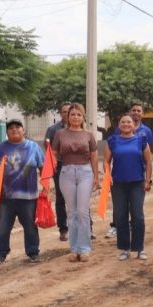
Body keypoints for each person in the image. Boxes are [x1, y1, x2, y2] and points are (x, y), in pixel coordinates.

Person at [0, 119, 44, 264]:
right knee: (3, 227)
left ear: (23, 130)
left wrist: (45, 187)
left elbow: (44, 168)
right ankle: (0, 254)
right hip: (5, 197)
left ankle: (33, 252)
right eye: (10, 128)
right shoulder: (0, 148)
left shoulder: (34, 148)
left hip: (29, 197)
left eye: (18, 127)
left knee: (30, 227)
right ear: (7, 132)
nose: (14, 129)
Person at [52, 103, 99, 262]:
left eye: (79, 114)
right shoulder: (60, 134)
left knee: (82, 211)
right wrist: (48, 172)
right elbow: (53, 154)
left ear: (83, 117)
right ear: (67, 116)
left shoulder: (88, 135)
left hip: (85, 172)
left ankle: (84, 248)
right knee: (71, 212)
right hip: (66, 172)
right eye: (73, 114)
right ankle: (74, 248)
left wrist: (96, 176)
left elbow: (93, 156)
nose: (75, 117)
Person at [104, 114, 153, 261]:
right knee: (120, 216)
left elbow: (149, 162)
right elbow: (106, 162)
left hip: (137, 183)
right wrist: (108, 175)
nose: (126, 124)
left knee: (137, 215)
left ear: (134, 124)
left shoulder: (141, 140)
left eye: (129, 122)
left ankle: (139, 248)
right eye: (123, 121)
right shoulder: (112, 141)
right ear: (119, 125)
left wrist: (148, 180)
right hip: (118, 183)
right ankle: (124, 249)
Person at [44, 103, 71, 241]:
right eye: (64, 111)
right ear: (61, 113)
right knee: (61, 198)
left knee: (79, 198)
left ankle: (86, 227)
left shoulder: (80, 128)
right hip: (59, 166)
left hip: (76, 166)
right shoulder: (53, 129)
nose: (67, 114)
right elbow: (47, 147)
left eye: (69, 111)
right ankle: (63, 229)